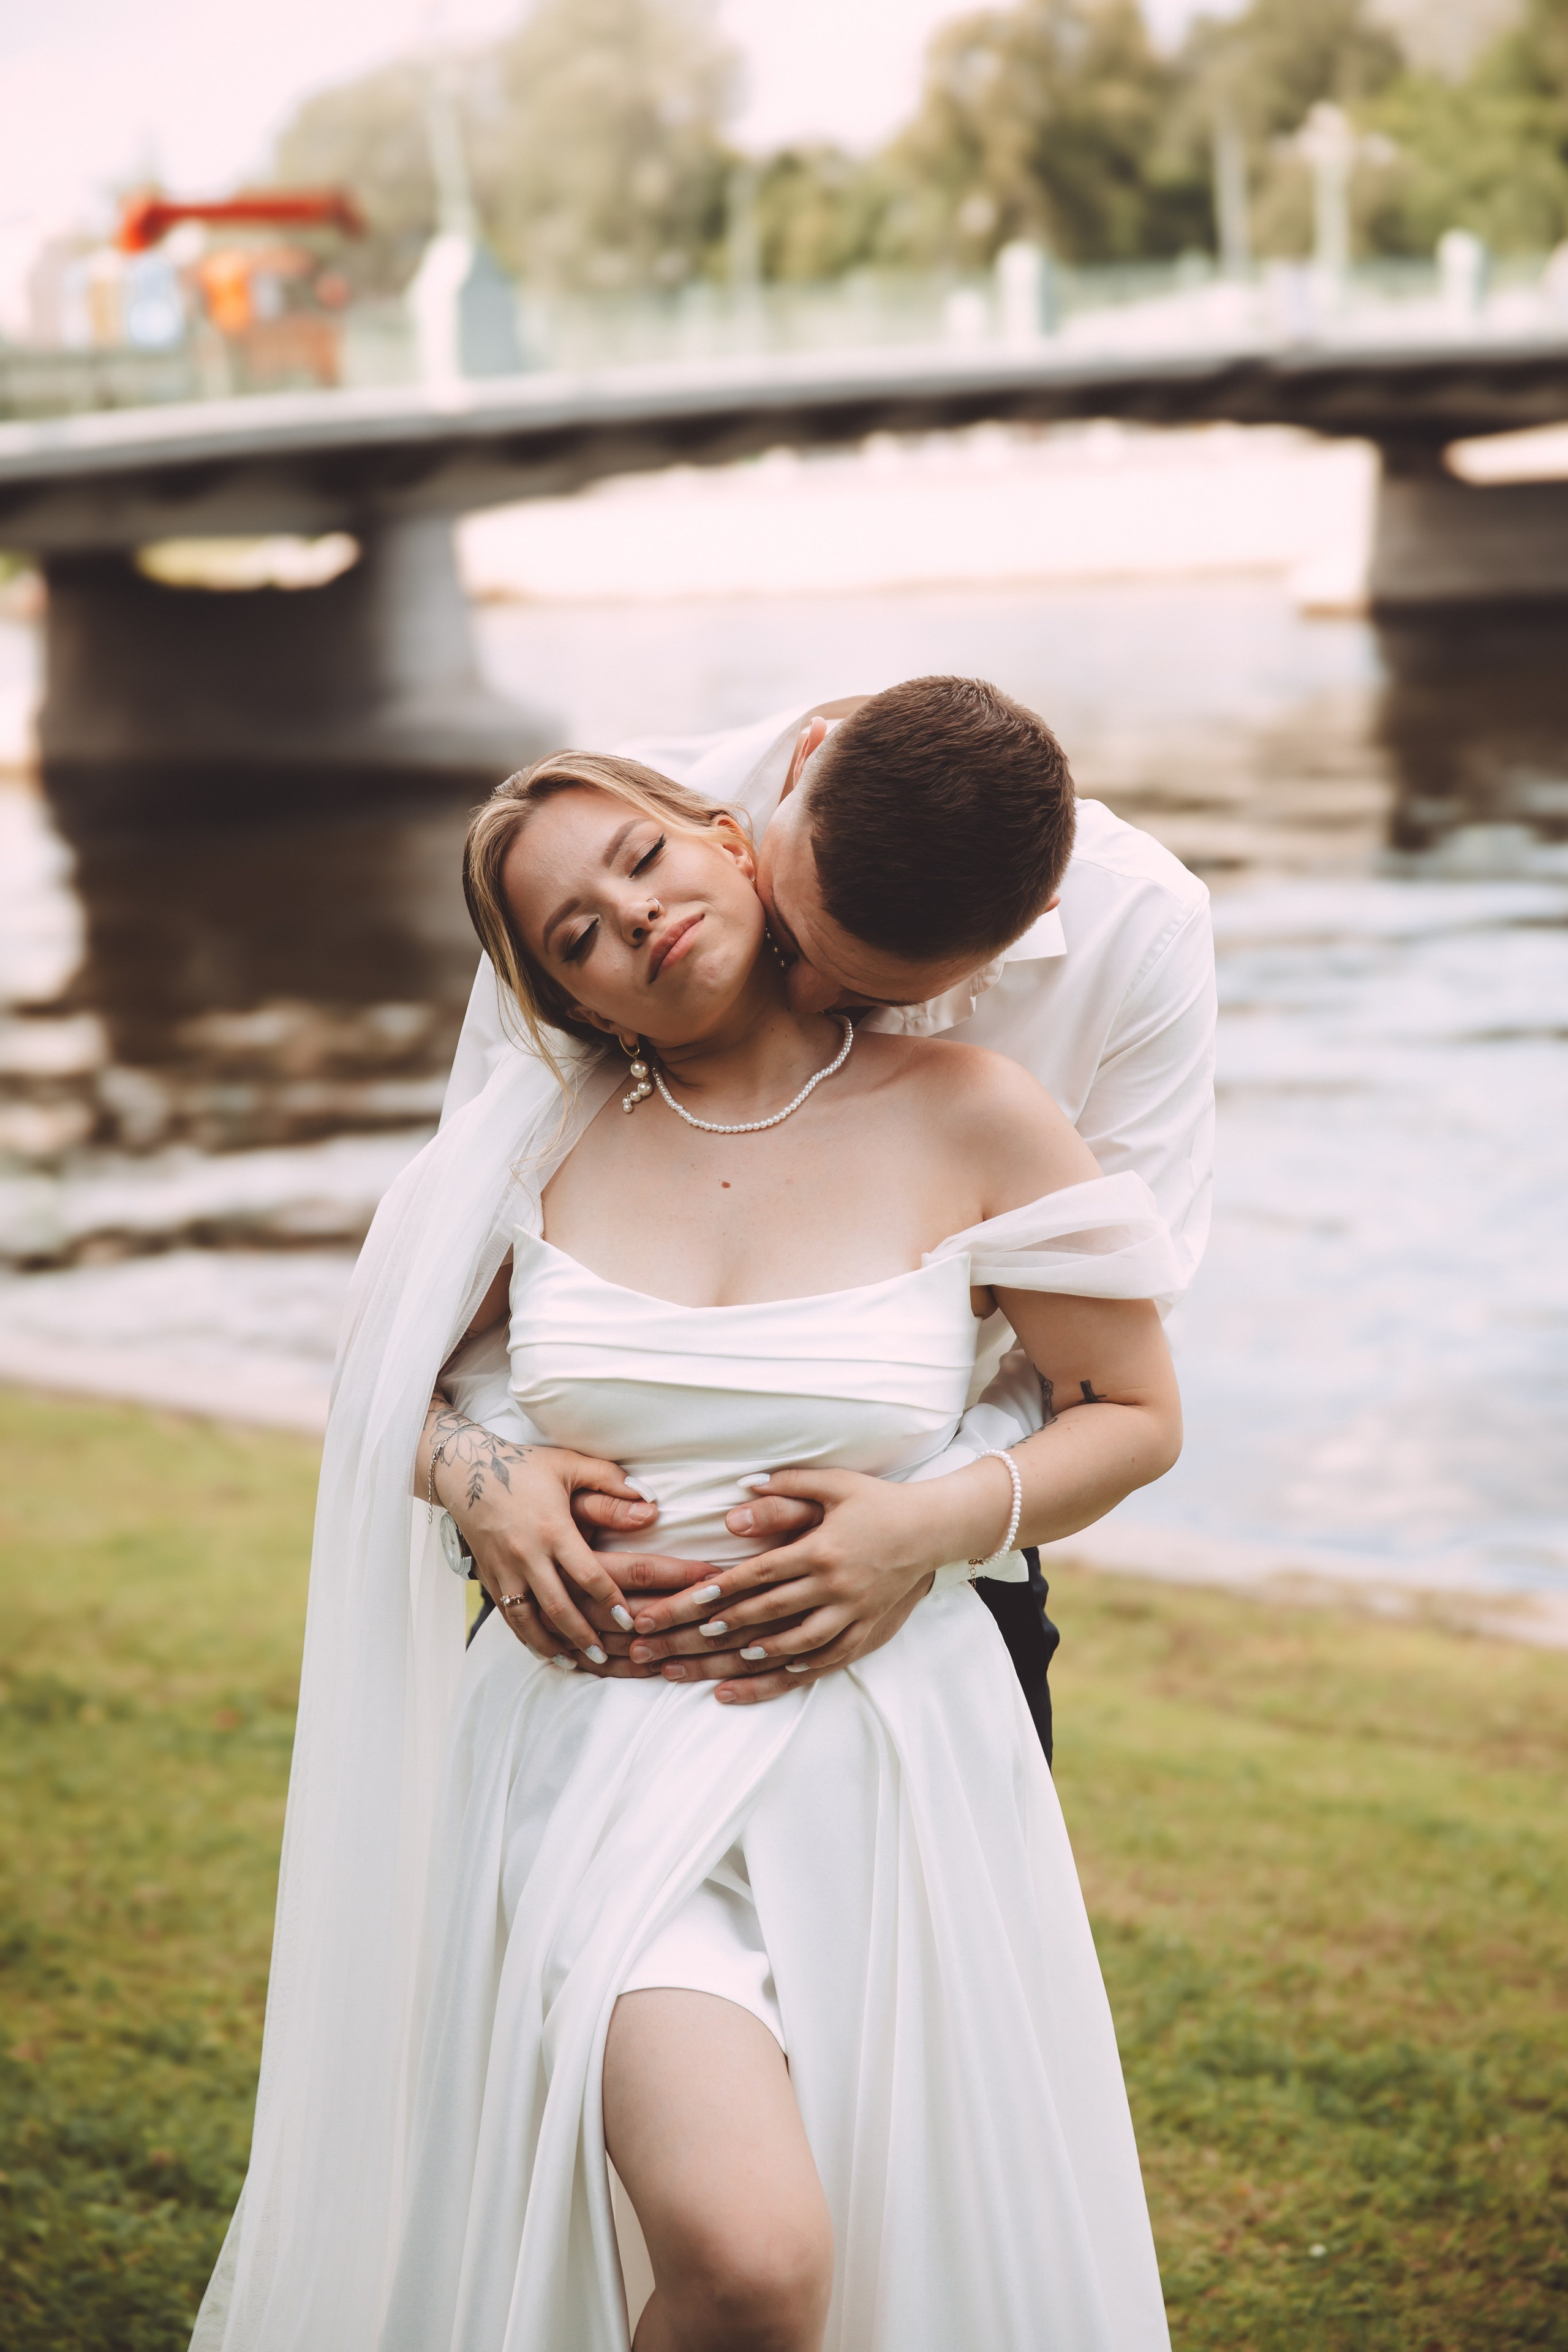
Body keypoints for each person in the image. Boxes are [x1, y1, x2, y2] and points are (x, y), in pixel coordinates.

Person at [193, 745, 1185, 2352]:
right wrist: (483, 1478)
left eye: (645, 861)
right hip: (597, 1757)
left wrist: (920, 1527)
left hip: (895, 1763)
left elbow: (1129, 1410)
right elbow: (388, 1399)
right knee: (751, 2261)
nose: (631, 919)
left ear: (739, 846)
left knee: (886, 2255)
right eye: (574, 934)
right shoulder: (538, 1155)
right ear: (569, 1003)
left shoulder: (977, 1116)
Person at [440, 676, 1215, 1758]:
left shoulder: (1134, 941)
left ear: (1031, 925)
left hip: (932, 1571)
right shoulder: (612, 849)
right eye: (790, 945)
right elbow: (430, 1321)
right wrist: (486, 1480)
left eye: (852, 990)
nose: (800, 999)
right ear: (788, 781)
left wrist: (915, 1534)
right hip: (586, 1651)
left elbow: (1107, 1364)